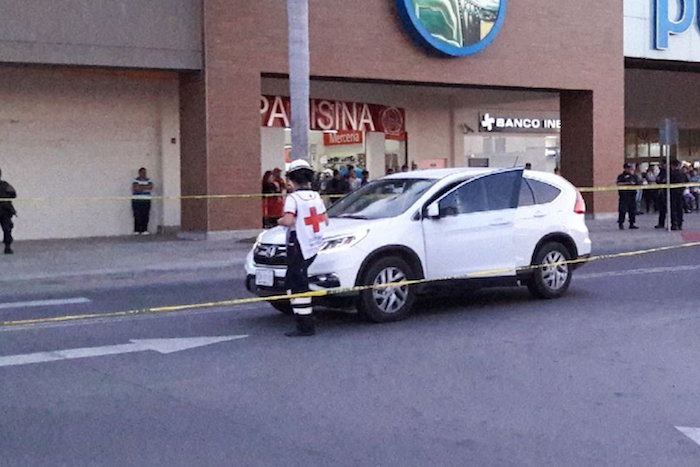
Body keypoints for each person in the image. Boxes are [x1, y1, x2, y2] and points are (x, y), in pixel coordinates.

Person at [277, 159, 329, 337]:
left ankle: (305, 324)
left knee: (297, 284)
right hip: (313, 244)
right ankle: (306, 319)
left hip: (297, 245)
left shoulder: (293, 198)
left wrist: (279, 221)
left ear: (291, 179)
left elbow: (289, 221)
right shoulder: (316, 196)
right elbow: (325, 220)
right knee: (298, 281)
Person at [616, 162, 639, 230]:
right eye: (628, 168)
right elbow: (618, 183)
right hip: (624, 196)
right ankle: (621, 223)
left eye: (630, 168)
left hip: (632, 196)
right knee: (622, 210)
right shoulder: (621, 176)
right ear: (625, 168)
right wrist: (628, 183)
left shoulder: (634, 176)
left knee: (632, 210)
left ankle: (632, 223)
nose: (629, 170)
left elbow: (637, 183)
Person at [0, 167, 17, 254]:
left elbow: (14, 194)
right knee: (7, 229)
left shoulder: (5, 185)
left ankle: (7, 246)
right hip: (5, 210)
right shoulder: (5, 185)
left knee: (7, 229)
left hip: (5, 211)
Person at [131, 167, 154, 235]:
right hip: (137, 200)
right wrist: (145, 187)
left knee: (145, 214)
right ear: (139, 173)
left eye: (145, 172)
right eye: (142, 172)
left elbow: (151, 187)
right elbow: (135, 188)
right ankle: (137, 230)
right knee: (137, 215)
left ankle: (144, 230)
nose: (144, 174)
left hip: (146, 200)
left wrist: (141, 187)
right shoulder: (135, 180)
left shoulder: (149, 180)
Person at [669, 159, 688, 230]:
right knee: (680, 209)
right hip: (680, 193)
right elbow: (687, 181)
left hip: (673, 193)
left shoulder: (671, 174)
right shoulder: (683, 173)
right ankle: (680, 224)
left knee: (673, 209)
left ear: (673, 166)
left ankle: (674, 224)